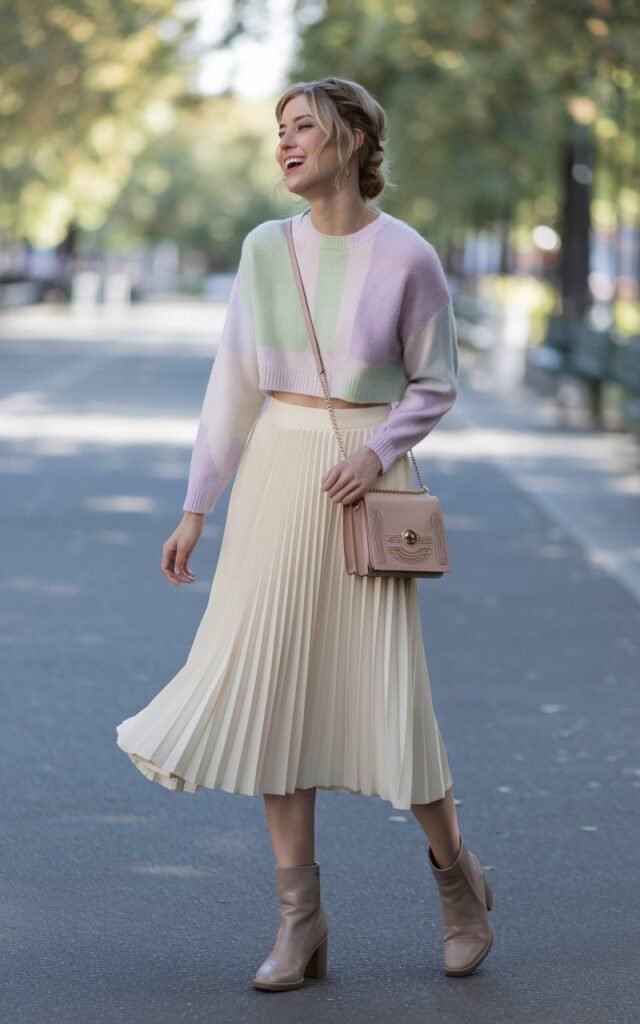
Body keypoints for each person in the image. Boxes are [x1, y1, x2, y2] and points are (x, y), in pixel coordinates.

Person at [116, 76, 493, 991]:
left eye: (302, 128)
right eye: (277, 130)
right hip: (277, 479)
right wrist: (198, 503)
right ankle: (301, 923)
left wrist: (378, 453)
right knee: (275, 696)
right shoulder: (260, 250)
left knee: (387, 695)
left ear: (355, 138)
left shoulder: (409, 258)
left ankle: (460, 885)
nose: (284, 143)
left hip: (364, 481)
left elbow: (434, 384)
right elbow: (233, 384)